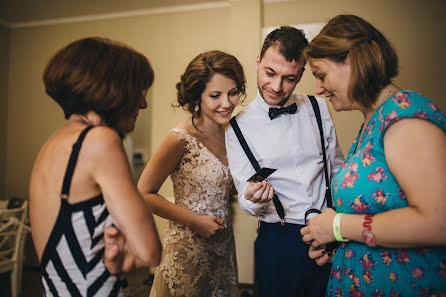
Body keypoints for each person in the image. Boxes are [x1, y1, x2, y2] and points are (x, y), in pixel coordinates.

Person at [300, 14, 446, 296]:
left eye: (321, 75)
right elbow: (382, 213)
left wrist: (338, 226)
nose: (319, 89)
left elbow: (438, 220)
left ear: (353, 60)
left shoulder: (404, 115)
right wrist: (340, 247)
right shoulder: (373, 122)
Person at [29, 37, 162, 297]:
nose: (143, 103)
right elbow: (149, 251)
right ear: (112, 88)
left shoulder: (54, 143)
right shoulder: (99, 141)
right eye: (138, 90)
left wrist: (120, 256)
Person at [225, 26, 345, 297]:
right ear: (258, 61)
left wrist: (338, 224)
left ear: (302, 73)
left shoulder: (319, 108)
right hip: (278, 242)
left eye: (289, 78)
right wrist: (254, 197)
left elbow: (337, 169)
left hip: (329, 233)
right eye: (270, 73)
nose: (277, 87)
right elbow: (244, 198)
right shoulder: (237, 127)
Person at [136, 50, 246, 296]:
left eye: (233, 93)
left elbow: (225, 187)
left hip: (223, 249)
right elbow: (143, 193)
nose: (226, 103)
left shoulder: (235, 134)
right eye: (215, 96)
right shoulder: (180, 139)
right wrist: (194, 221)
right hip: (187, 250)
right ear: (198, 96)